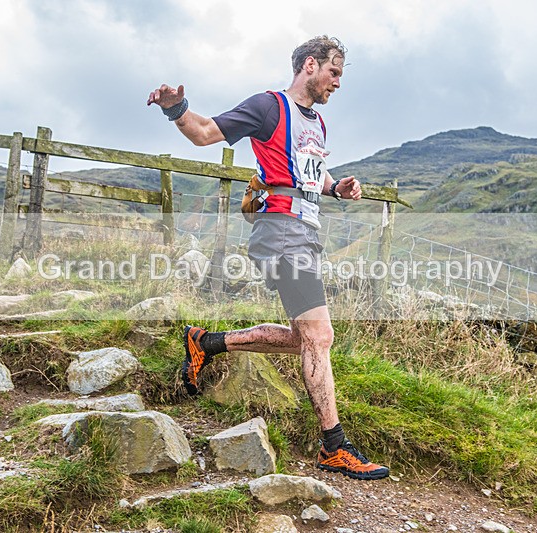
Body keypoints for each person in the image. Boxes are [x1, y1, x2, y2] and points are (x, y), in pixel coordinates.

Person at [147, 35, 389, 481]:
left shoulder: (315, 122)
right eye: (334, 72)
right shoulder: (268, 107)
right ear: (310, 65)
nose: (338, 82)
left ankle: (206, 342)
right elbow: (204, 134)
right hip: (280, 232)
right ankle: (334, 447)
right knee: (320, 336)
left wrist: (336, 188)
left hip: (305, 232)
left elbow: (308, 168)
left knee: (304, 338)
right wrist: (175, 109)